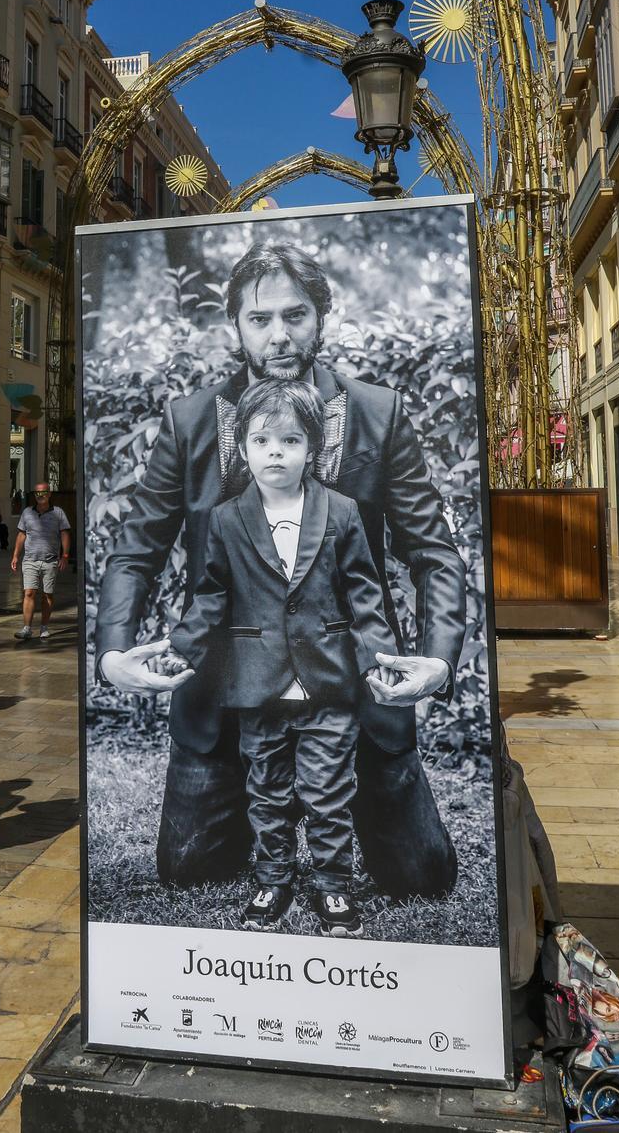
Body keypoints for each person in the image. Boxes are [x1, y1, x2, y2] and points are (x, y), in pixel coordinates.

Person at [96, 238, 466, 898]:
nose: (279, 335)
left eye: (296, 315)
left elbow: (433, 548)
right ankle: (253, 812)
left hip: (354, 682)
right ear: (233, 325)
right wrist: (113, 652)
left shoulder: (377, 415)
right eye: (260, 319)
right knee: (189, 872)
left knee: (422, 879)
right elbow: (136, 545)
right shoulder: (188, 422)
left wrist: (437, 659)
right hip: (223, 687)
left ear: (321, 317)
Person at [170, 381, 411, 936]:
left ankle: (332, 886)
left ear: (314, 448)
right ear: (243, 448)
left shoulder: (343, 511)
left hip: (330, 682)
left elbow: (365, 593)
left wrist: (379, 659)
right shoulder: (228, 519)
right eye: (262, 440)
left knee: (329, 792)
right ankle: (272, 880)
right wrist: (180, 647)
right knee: (267, 791)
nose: (275, 451)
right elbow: (210, 596)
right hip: (259, 684)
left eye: (290, 439)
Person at [11, 484, 71, 642]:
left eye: (43, 492)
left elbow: (64, 534)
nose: (40, 495)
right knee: (29, 592)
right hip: (30, 559)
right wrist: (15, 555)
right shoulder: (27, 512)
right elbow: (21, 535)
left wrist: (65, 555)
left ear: (49, 494)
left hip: (50, 561)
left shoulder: (58, 513)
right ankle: (27, 628)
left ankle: (44, 627)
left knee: (47, 595)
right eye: (37, 492)